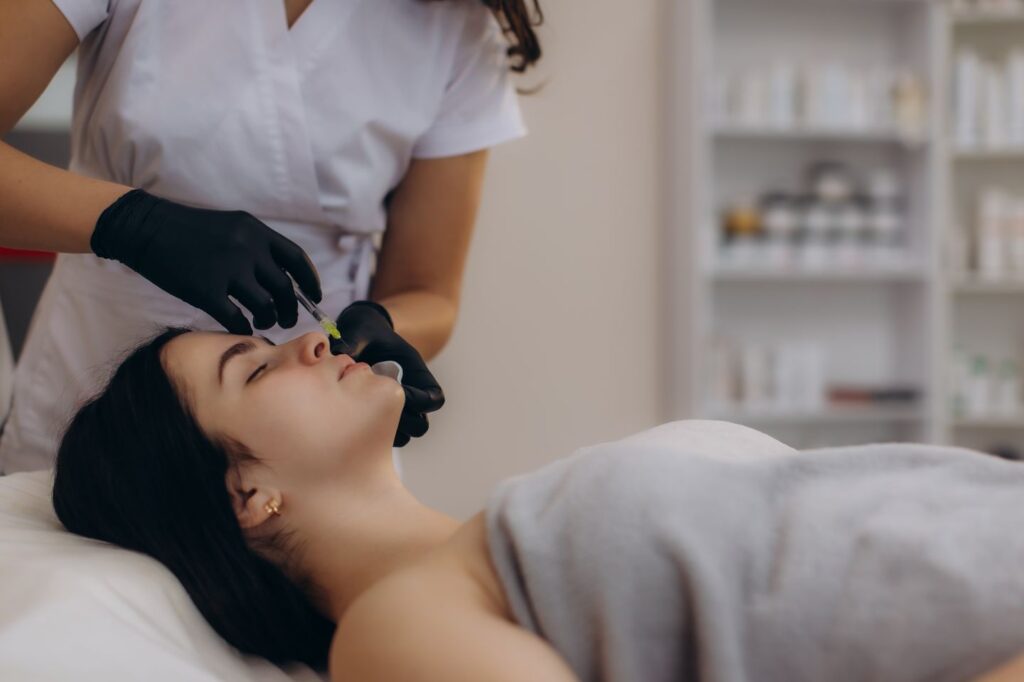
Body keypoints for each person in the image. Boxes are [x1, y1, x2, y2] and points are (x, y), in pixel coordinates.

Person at [52, 327, 1024, 681]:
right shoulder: (395, 630)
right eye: (254, 366)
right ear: (248, 495)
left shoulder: (503, 531)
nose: (311, 338)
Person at [0, 0, 543, 473]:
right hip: (97, 394)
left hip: (313, 451)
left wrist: (382, 329)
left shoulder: (459, 27)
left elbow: (430, 290)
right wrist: (131, 224)